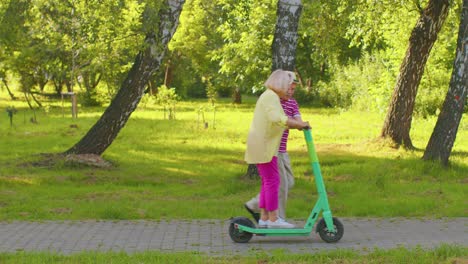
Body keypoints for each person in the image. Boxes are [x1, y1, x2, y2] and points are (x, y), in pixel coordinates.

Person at [244, 69, 309, 228]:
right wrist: (299, 124)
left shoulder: (270, 96)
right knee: (274, 181)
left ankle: (264, 217)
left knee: (267, 182)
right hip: (265, 146)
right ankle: (274, 219)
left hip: (265, 146)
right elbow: (278, 118)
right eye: (287, 86)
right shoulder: (271, 97)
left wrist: (298, 123)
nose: (289, 90)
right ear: (280, 84)